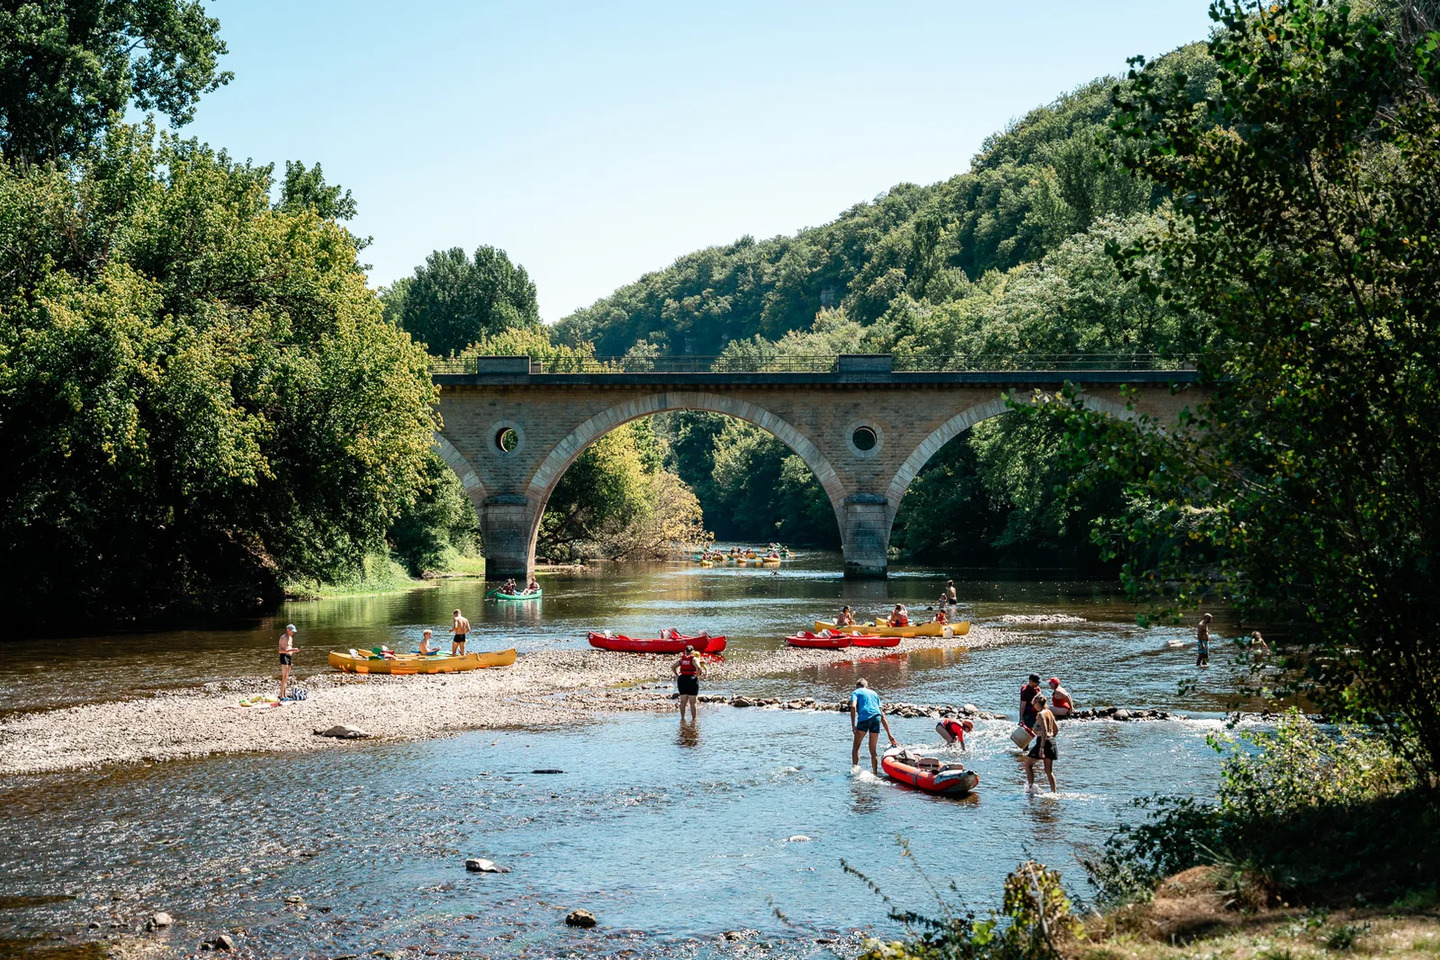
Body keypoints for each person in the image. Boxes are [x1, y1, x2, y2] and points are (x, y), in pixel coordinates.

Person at [849, 679, 898, 774]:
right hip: (876, 718)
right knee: (873, 750)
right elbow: (882, 715)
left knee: (856, 747)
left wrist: (853, 725)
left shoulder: (855, 692)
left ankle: (854, 771)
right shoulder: (874, 694)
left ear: (857, 686)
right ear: (866, 686)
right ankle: (875, 773)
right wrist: (889, 735)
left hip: (864, 718)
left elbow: (853, 706)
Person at [1023, 694, 1059, 792]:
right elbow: (1056, 729)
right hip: (1051, 741)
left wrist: (1042, 747)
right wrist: (1050, 740)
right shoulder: (1049, 712)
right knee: (1048, 771)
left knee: (1028, 765)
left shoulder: (1040, 714)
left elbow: (1044, 731)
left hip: (1042, 742)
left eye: (1034, 703)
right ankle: (1054, 792)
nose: (1033, 706)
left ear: (1038, 703)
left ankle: (1030, 788)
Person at [671, 644, 705, 721]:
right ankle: (694, 720)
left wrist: (677, 675)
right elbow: (698, 667)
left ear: (685, 651)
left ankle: (682, 718)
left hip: (682, 679)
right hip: (691, 679)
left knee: (683, 701)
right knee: (693, 702)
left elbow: (673, 667)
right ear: (693, 651)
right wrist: (697, 676)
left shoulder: (682, 659)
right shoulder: (694, 659)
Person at [278, 624, 299, 700]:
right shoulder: (283, 638)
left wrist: (295, 650)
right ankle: (281, 695)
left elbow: (290, 649)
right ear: (288, 630)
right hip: (284, 657)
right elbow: (280, 650)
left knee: (287, 677)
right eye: (292, 631)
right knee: (284, 676)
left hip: (289, 657)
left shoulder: (291, 638)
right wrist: (291, 650)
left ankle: (285, 695)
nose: (293, 633)